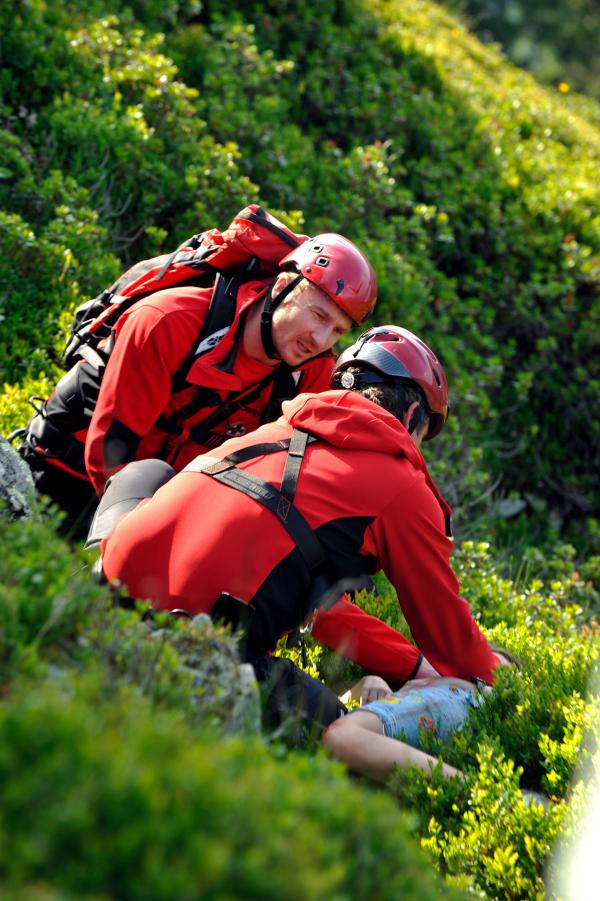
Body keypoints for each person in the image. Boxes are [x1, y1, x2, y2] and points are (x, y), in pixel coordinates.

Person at [89, 324, 505, 734]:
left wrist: (411, 664)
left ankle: (79, 574)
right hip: (202, 647)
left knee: (148, 474)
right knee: (339, 732)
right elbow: (452, 644)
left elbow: (320, 611)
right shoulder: (402, 487)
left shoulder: (278, 430)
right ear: (413, 415)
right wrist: (504, 680)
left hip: (109, 584)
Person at [16, 228, 377, 538]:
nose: (319, 339)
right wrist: (150, 537)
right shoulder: (168, 322)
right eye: (317, 315)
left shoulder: (311, 371)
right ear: (282, 287)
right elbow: (108, 454)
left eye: (337, 331)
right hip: (66, 476)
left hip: (164, 502)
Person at [323, 648, 517, 782]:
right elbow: (338, 719)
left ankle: (473, 789)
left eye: (498, 667)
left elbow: (341, 736)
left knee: (342, 737)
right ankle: (476, 790)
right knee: (341, 736)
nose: (489, 672)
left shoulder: (463, 696)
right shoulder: (426, 690)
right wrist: (362, 686)